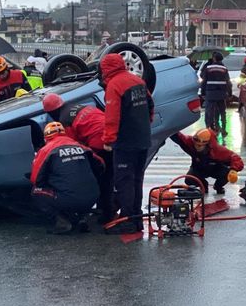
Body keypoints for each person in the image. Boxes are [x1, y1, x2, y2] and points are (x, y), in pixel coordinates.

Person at [100, 53, 154, 234]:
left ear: (106, 69)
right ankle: (136, 217)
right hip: (143, 138)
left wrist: (108, 140)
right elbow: (150, 104)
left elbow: (112, 117)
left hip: (125, 142)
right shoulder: (137, 80)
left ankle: (127, 219)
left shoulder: (114, 85)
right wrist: (145, 124)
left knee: (124, 181)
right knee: (137, 178)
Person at [42, 93, 114, 223]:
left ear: (51, 112)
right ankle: (106, 207)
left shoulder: (64, 120)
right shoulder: (77, 107)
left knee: (100, 176)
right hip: (111, 132)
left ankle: (106, 212)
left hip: (99, 140)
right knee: (110, 175)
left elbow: (69, 145)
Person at [30, 122, 103, 234]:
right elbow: (101, 165)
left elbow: (36, 179)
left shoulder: (47, 150)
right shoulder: (81, 146)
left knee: (36, 191)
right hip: (93, 196)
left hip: (69, 199)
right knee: (79, 188)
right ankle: (82, 218)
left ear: (46, 137)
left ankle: (62, 222)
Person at [170, 128, 243, 194]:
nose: (197, 147)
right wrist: (167, 129)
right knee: (189, 179)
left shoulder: (218, 150)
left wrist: (234, 169)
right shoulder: (190, 143)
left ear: (208, 145)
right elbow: (178, 137)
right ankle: (203, 186)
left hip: (216, 170)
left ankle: (218, 186)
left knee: (227, 174)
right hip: (198, 170)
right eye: (196, 144)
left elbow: (235, 157)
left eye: (200, 145)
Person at [200, 51, 231, 136]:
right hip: (221, 93)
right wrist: (230, 93)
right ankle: (224, 129)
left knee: (209, 111)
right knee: (222, 112)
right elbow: (228, 82)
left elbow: (204, 81)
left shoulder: (209, 68)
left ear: (214, 58)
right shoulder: (224, 69)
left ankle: (209, 128)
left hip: (210, 93)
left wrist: (203, 93)